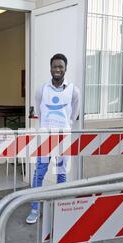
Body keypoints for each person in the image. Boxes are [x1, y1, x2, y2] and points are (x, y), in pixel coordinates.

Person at [26, 53, 80, 224]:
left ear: (65, 69)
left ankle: (61, 208)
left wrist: (65, 127)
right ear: (50, 68)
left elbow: (74, 114)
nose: (57, 69)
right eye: (55, 66)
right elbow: (40, 112)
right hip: (45, 137)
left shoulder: (74, 91)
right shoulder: (42, 89)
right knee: (39, 173)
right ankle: (35, 208)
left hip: (63, 138)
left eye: (60, 66)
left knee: (61, 174)